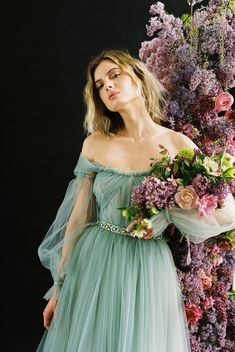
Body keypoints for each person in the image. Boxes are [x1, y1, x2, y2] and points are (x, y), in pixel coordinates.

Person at [36, 49, 235, 352]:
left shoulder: (176, 144)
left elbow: (225, 211)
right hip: (95, 260)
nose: (107, 88)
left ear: (139, 78)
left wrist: (177, 207)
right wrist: (59, 288)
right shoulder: (95, 144)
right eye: (100, 86)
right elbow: (78, 219)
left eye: (114, 75)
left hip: (148, 266)